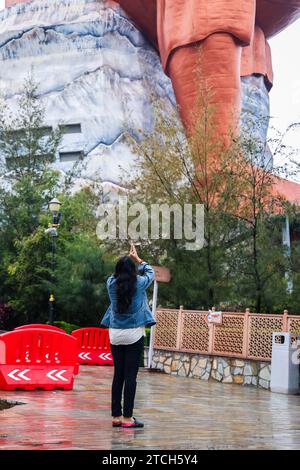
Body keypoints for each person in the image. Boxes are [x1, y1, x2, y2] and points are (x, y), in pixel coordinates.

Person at [101, 243, 155, 428]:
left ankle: (116, 416)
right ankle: (127, 418)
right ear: (133, 271)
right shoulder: (139, 283)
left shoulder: (110, 284)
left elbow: (114, 275)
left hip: (115, 333)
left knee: (119, 375)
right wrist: (137, 259)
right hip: (133, 334)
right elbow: (150, 273)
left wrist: (124, 260)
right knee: (131, 376)